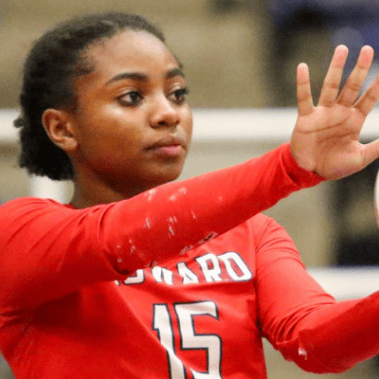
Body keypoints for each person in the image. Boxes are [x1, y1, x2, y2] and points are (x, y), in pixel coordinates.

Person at [0, 11, 379, 379]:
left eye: (177, 93)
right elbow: (121, 236)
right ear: (62, 128)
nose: (168, 114)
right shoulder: (21, 234)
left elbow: (316, 344)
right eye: (132, 97)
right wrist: (288, 168)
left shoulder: (253, 234)